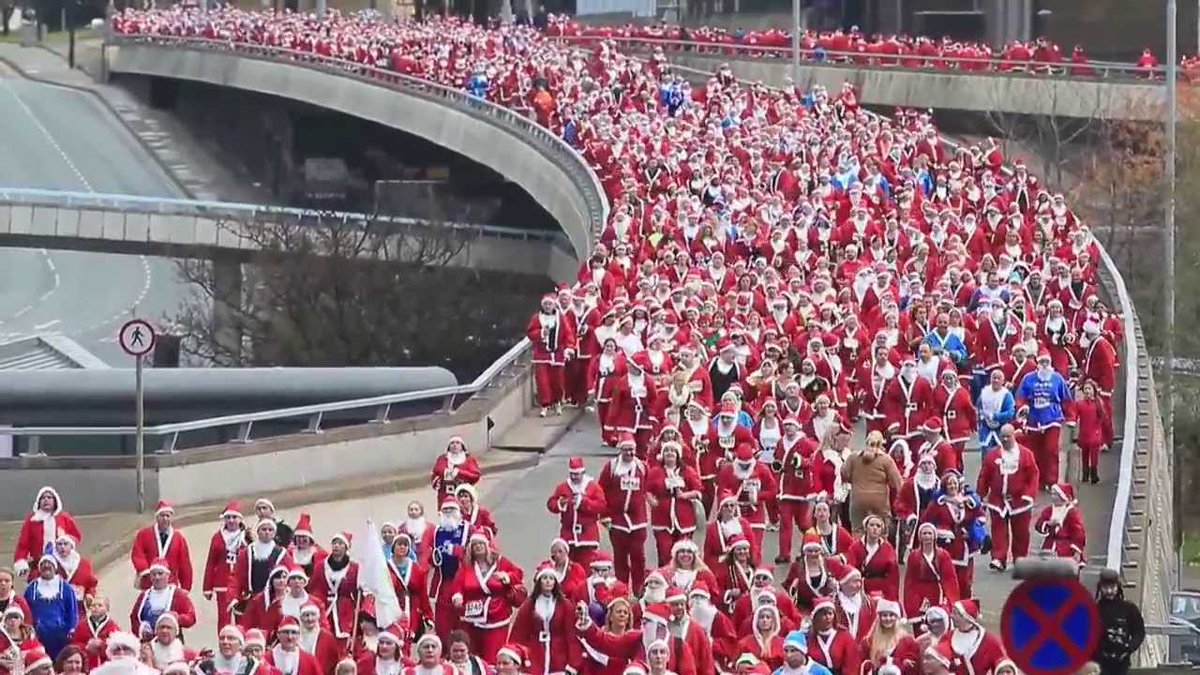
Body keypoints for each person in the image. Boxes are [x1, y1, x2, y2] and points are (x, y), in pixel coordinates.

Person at [450, 532, 526, 663]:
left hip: (497, 615)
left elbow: (518, 574)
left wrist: (507, 577)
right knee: (473, 656)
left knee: (492, 655)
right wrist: (457, 595)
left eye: (481, 544)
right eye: (475, 545)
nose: (478, 547)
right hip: (472, 617)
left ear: (487, 546)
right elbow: (458, 584)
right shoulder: (467, 566)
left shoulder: (500, 562)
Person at [977, 424, 1039, 572]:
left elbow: (1033, 475)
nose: (1005, 439)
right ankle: (998, 558)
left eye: (1008, 436)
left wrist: (1029, 495)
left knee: (1021, 532)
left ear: (1014, 436)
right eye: (1003, 437)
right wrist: (980, 495)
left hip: (1020, 501)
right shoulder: (992, 455)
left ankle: (1020, 559)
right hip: (997, 500)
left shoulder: (1026, 454)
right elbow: (984, 476)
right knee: (998, 530)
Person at [598, 435, 651, 591]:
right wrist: (604, 515)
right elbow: (601, 490)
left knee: (638, 555)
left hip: (638, 520)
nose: (629, 453)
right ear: (620, 450)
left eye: (632, 450)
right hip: (617, 520)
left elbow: (647, 487)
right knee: (620, 556)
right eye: (626, 450)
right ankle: (622, 588)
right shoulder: (611, 467)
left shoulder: (642, 467)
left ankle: (638, 588)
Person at [1016, 352, 1074, 489]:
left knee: (1051, 450)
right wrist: (1023, 407)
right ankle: (1038, 480)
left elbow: (1066, 399)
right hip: (1034, 420)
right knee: (1036, 452)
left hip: (1052, 419)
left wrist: (1070, 417)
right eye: (1042, 362)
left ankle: (1051, 480)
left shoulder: (1057, 378)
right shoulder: (1028, 378)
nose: (1044, 365)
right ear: (1038, 363)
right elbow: (1020, 397)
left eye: (1046, 362)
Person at [508, 565, 576, 675]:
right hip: (535, 654)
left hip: (559, 655)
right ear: (539, 582)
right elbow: (519, 632)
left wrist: (573, 662)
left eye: (551, 578)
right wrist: (516, 655)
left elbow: (571, 635)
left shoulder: (565, 605)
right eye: (545, 578)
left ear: (555, 582)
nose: (548, 581)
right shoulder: (529, 604)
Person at [546, 457, 608, 567]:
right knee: (569, 567)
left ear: (583, 473)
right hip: (568, 536)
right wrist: (560, 504)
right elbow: (551, 504)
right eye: (572, 474)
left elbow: (601, 506)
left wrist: (583, 503)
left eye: (577, 474)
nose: (574, 477)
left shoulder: (593, 487)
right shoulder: (563, 487)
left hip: (588, 537)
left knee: (586, 567)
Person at [840, 430, 902, 531]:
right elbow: (898, 483)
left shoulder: (853, 457)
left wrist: (854, 480)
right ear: (881, 444)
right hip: (879, 503)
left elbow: (844, 474)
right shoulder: (886, 460)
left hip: (858, 501)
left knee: (858, 530)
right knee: (880, 531)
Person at [528, 294, 578, 417]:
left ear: (554, 305)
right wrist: (541, 333)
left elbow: (568, 334)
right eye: (545, 304)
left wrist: (569, 347)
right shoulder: (537, 318)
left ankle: (558, 402)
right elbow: (530, 332)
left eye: (550, 304)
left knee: (558, 380)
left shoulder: (560, 318)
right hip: (541, 354)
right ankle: (545, 404)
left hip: (557, 353)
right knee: (543, 381)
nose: (547, 306)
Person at [15, 487, 82, 579]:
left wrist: (66, 542)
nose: (46, 500)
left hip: (61, 566)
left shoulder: (64, 518)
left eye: (49, 497)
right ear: (38, 502)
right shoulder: (32, 520)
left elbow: (76, 537)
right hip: (38, 566)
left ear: (55, 501)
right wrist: (21, 562)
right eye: (43, 498)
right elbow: (23, 544)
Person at [308, 532, 360, 647]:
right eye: (334, 543)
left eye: (340, 543)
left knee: (341, 642)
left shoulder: (354, 568)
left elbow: (357, 591)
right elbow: (314, 587)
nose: (336, 546)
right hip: (324, 607)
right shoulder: (321, 566)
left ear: (346, 547)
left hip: (344, 611)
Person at [130, 501, 193, 592]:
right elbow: (137, 553)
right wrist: (144, 570)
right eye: (162, 515)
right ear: (157, 517)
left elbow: (184, 563)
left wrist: (186, 586)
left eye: (168, 516)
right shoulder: (144, 535)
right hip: (150, 582)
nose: (165, 519)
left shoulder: (178, 539)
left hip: (170, 584)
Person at [204, 501, 248, 633]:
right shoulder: (217, 537)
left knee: (242, 617)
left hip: (241, 583)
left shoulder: (246, 536)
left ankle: (242, 641)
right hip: (222, 583)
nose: (231, 520)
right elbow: (211, 562)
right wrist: (207, 587)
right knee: (224, 618)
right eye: (228, 517)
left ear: (240, 519)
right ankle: (224, 640)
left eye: (234, 517)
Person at [901, 524, 959, 619]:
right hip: (919, 594)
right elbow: (910, 581)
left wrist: (951, 599)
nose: (927, 536)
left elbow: (949, 579)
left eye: (929, 533)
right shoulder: (914, 556)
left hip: (937, 592)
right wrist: (910, 602)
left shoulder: (943, 555)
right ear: (920, 537)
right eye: (924, 533)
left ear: (934, 536)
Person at [24, 555, 77, 658]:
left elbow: (72, 611)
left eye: (49, 563)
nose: (46, 566)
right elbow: (26, 611)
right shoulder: (31, 588)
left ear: (55, 567)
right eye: (43, 564)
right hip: (38, 636)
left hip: (61, 637)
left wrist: (72, 629)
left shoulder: (66, 588)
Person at [1094, 569, 1144, 675]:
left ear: (1118, 587)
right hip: (1099, 664)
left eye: (1112, 587)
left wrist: (1129, 648)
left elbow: (1139, 632)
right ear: (1100, 588)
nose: (1109, 591)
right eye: (1105, 587)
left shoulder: (1129, 609)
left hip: (1122, 664)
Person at [68, 596, 118, 671]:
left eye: (100, 605)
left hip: (105, 667)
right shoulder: (81, 625)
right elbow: (74, 644)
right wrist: (86, 647)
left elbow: (116, 647)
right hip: (86, 665)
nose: (96, 607)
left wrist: (101, 645)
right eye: (93, 605)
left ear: (107, 609)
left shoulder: (113, 627)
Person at [85, 632, 156, 675]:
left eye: (126, 648)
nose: (122, 652)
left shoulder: (147, 672)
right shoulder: (99, 672)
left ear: (134, 652)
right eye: (117, 649)